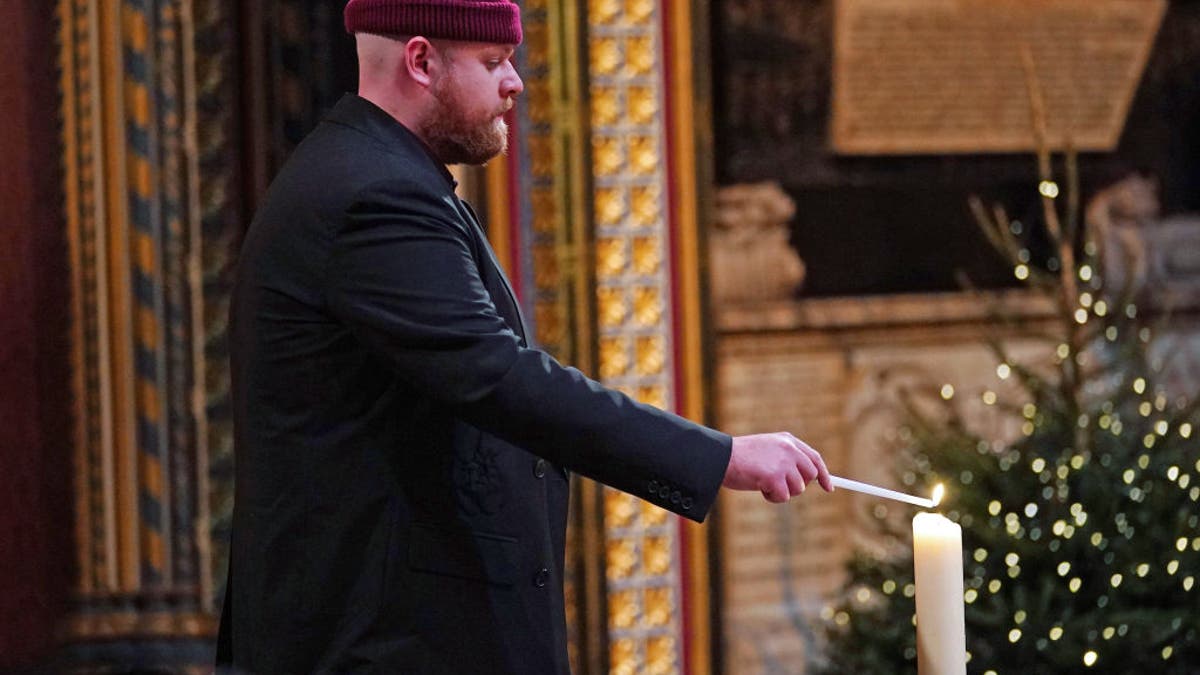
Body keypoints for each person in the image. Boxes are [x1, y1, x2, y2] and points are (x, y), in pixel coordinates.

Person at [217, 0, 832, 672]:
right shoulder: (372, 196)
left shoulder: (380, 175)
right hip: (381, 642)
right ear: (421, 60)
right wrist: (722, 457)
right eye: (493, 62)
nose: (515, 82)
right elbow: (499, 377)